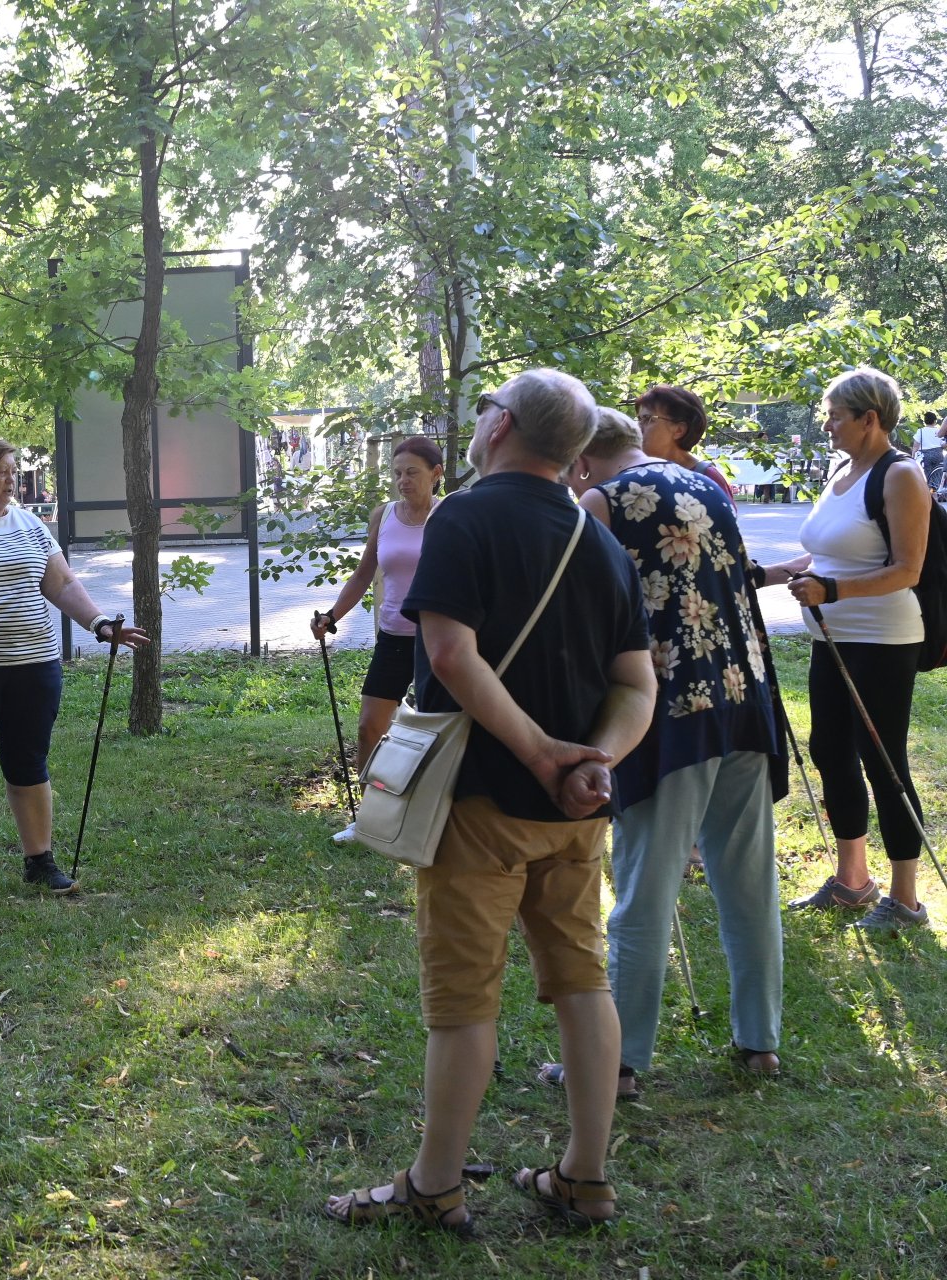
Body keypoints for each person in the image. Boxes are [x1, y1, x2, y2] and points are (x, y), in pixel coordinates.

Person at [325, 370, 654, 1235]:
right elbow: (636, 684)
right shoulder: (601, 539)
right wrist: (595, 762)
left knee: (464, 1001)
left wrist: (546, 753)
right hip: (574, 815)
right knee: (582, 980)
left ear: (502, 426)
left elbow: (448, 653)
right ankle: (584, 1176)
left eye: (484, 411)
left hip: (475, 805)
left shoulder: (462, 516)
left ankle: (435, 1186)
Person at [538, 408, 783, 1097]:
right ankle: (760, 1041)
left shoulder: (601, 502)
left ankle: (618, 1061)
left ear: (582, 460)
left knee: (642, 891)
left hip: (670, 711)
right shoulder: (703, 482)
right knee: (747, 879)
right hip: (744, 699)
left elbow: (585, 614)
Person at [0, 435, 150, 906]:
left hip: (33, 666)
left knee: (29, 764)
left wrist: (99, 623)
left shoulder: (30, 524)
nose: (11, 479)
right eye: (2, 470)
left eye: (13, 470)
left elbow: (60, 581)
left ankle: (39, 861)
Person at [760, 367, 931, 932]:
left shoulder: (900, 475)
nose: (826, 425)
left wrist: (832, 590)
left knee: (883, 760)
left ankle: (905, 899)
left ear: (870, 419)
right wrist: (771, 572)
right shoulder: (840, 469)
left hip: (882, 638)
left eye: (835, 416)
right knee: (830, 750)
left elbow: (907, 569)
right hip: (828, 638)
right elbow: (828, 551)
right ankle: (852, 880)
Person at [312, 437, 444, 842]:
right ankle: (370, 819)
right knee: (371, 728)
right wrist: (332, 616)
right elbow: (364, 573)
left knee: (438, 732)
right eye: (397, 472)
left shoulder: (452, 514)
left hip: (439, 641)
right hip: (394, 637)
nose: (402, 480)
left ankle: (435, 818)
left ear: (436, 474)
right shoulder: (383, 515)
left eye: (412, 472)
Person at [635, 384, 735, 502]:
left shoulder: (708, 478)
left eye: (647, 419)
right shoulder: (637, 473)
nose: (638, 427)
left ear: (679, 430)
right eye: (639, 419)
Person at [917, 410, 944, 492]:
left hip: (925, 455)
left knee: (926, 475)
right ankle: (935, 491)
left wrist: (913, 455)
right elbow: (943, 443)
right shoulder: (939, 431)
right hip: (938, 454)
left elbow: (915, 445)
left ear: (925, 421)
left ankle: (928, 493)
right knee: (937, 474)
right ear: (935, 421)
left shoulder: (920, 431)